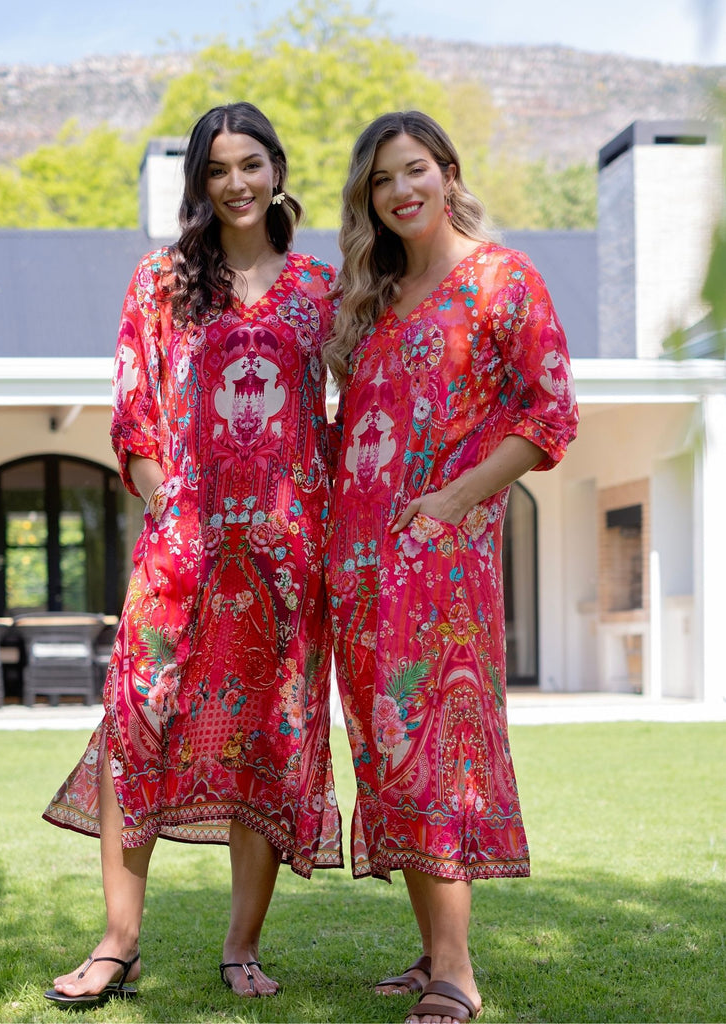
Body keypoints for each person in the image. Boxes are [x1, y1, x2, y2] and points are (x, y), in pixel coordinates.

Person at [43, 101, 342, 1007]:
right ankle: (117, 943)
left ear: (278, 169)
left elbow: (353, 416)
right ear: (199, 185)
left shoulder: (323, 291)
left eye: (250, 164)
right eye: (217, 170)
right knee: (137, 725)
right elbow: (134, 410)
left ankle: (241, 946)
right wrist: (165, 499)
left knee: (267, 738)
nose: (237, 183)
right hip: (182, 549)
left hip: (288, 561)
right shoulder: (163, 283)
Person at [323, 111, 578, 1024]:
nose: (401, 191)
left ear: (448, 170)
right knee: (389, 751)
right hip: (357, 562)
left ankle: (457, 975)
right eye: (382, 181)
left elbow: (548, 417)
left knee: (435, 754)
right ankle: (430, 951)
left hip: (437, 557)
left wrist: (456, 499)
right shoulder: (378, 299)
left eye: (415, 169)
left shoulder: (503, 280)